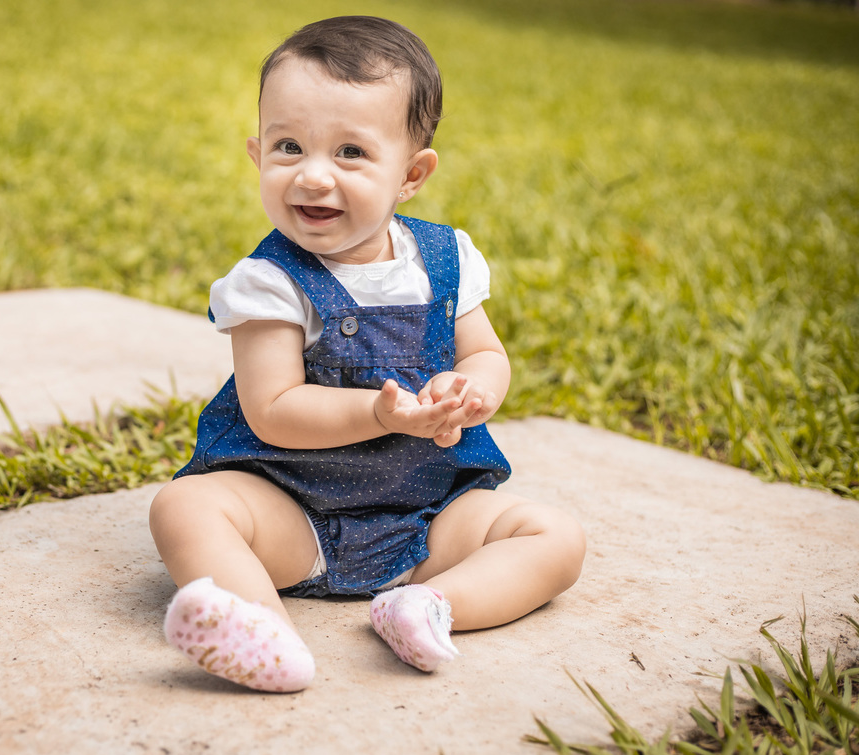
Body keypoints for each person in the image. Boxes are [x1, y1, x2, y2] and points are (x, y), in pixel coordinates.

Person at [150, 15, 585, 693]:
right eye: (289, 146)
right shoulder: (269, 283)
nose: (314, 176)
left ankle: (430, 605)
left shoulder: (445, 259)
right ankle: (262, 631)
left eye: (350, 153)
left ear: (411, 175)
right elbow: (273, 411)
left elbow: (486, 355)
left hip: (428, 517)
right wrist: (387, 415)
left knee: (556, 537)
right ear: (257, 154)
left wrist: (472, 392)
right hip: (294, 512)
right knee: (183, 508)